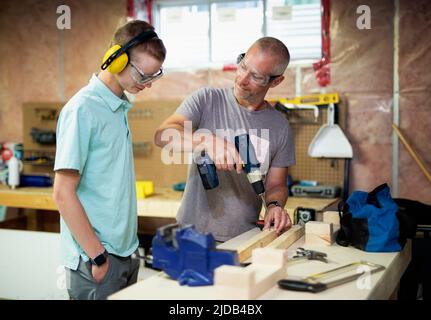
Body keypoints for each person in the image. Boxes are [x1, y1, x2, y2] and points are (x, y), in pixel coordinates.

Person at [53, 20, 166, 300]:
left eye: (154, 76)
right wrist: (98, 257)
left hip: (126, 252)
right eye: (143, 75)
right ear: (116, 60)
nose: (148, 85)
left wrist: (128, 252)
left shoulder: (118, 107)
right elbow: (62, 193)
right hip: (97, 261)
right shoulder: (83, 109)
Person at [154, 37, 295, 242]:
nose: (242, 79)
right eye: (243, 65)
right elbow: (163, 135)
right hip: (191, 235)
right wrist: (207, 141)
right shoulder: (206, 99)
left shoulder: (280, 126)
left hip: (246, 238)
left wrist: (274, 207)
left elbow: (276, 185)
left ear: (276, 81)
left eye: (255, 76)